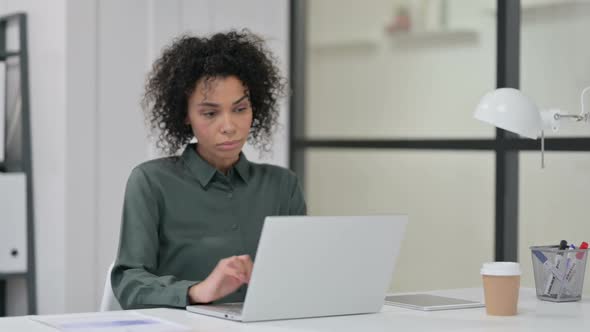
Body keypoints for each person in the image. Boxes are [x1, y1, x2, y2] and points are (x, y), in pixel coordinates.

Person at [111, 30, 306, 309]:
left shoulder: (282, 185)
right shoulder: (152, 182)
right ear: (185, 115)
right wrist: (197, 291)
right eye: (210, 113)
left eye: (240, 109)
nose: (229, 126)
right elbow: (128, 282)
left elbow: (301, 275)